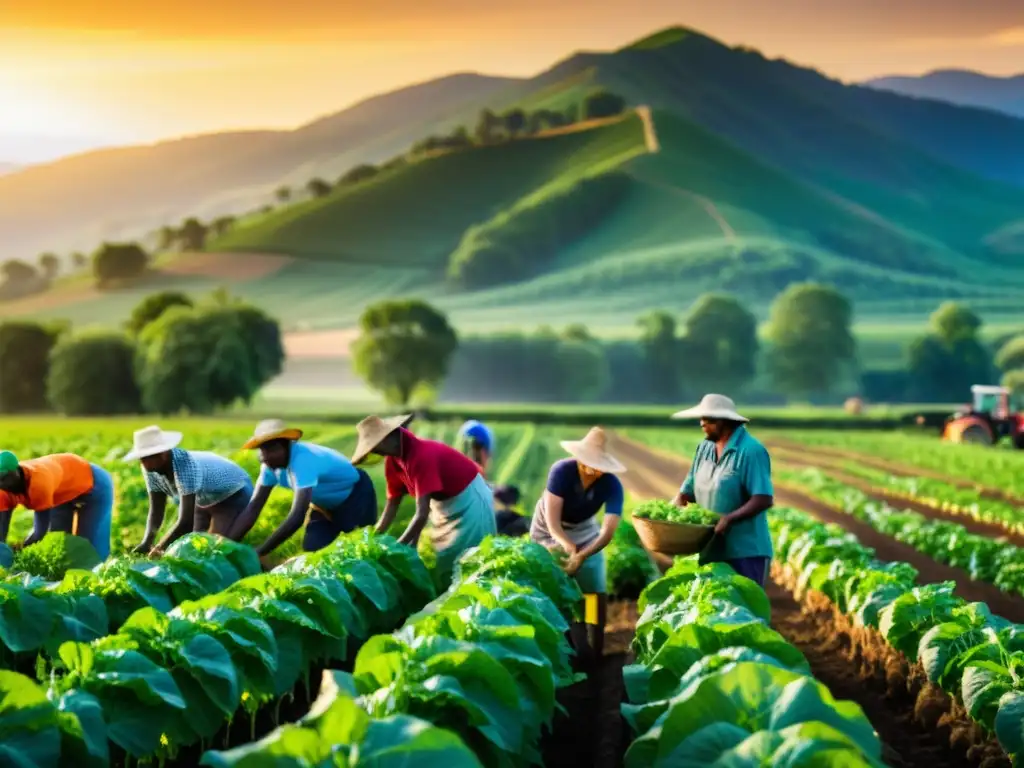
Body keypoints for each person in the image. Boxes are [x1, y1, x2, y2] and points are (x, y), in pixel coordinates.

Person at [352, 414, 495, 588]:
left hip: (470, 497)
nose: (376, 452)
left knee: (468, 559)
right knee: (442, 560)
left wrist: (398, 547)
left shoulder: (420, 455)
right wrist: (372, 537)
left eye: (376, 446)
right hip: (443, 504)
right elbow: (392, 505)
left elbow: (421, 514)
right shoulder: (393, 462)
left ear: (389, 438)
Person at [530, 426, 626, 664]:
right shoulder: (561, 471)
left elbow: (607, 531)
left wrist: (583, 555)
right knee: (559, 586)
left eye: (597, 466)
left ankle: (596, 648)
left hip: (586, 531)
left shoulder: (612, 485)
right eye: (587, 463)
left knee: (594, 591)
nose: (591, 470)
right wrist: (567, 547)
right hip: (549, 530)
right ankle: (565, 644)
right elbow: (553, 524)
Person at [229, 419, 377, 558]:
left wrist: (261, 551)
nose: (265, 456)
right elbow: (253, 507)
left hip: (356, 498)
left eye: (272, 449)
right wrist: (227, 545)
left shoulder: (302, 461)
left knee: (359, 551)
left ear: (286, 446)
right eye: (262, 450)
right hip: (322, 506)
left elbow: (297, 516)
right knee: (313, 551)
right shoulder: (269, 466)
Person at [670, 394, 774, 587]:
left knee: (743, 611)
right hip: (710, 550)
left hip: (745, 552)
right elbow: (688, 489)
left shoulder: (751, 451)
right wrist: (673, 509)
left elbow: (763, 498)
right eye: (701, 418)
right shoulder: (704, 448)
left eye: (708, 419)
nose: (702, 423)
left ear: (725, 421)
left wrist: (729, 518)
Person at [125, 426, 255, 555]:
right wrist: (146, 543)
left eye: (146, 458)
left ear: (163, 454)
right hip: (204, 498)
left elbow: (186, 522)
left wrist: (159, 548)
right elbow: (156, 510)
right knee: (192, 548)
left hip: (234, 492)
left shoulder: (184, 465)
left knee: (217, 550)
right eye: (141, 458)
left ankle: (260, 566)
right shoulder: (151, 469)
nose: (142, 463)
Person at [0, 450, 114, 559]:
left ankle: (95, 574)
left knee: (89, 549)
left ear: (16, 471)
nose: (1, 484)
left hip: (94, 484)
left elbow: (40, 533)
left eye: (3, 478)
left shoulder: (39, 484)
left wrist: (20, 551)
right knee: (59, 544)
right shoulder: (3, 490)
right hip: (59, 491)